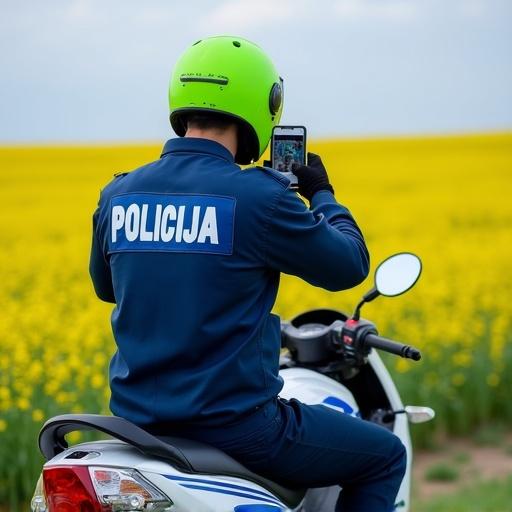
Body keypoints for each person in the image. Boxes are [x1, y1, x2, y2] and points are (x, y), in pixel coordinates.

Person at [89, 35, 406, 512]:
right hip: (238, 427)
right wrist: (322, 193)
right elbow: (349, 266)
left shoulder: (118, 194)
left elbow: (107, 287)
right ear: (265, 104)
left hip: (137, 424)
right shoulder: (259, 196)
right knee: (384, 456)